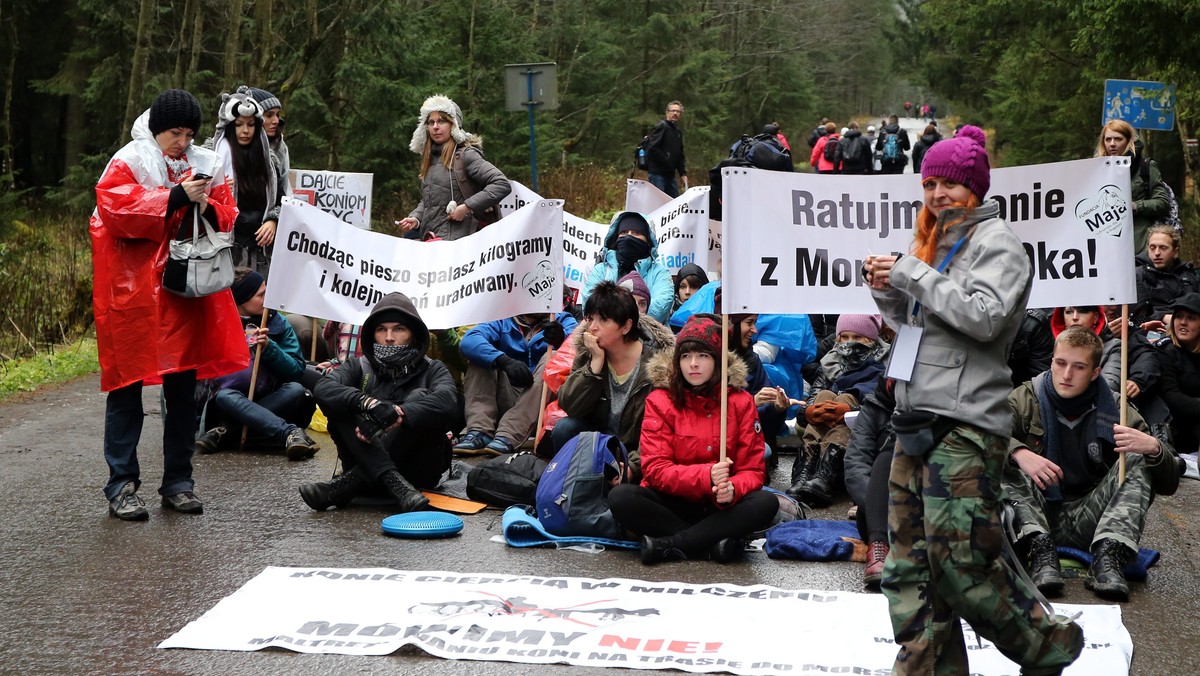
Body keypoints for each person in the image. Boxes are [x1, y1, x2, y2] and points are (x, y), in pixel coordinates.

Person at [864, 125, 1084, 673]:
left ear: (976, 189)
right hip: (915, 421)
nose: (938, 195)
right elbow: (923, 329)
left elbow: (983, 318)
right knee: (909, 567)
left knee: (960, 561)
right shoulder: (934, 243)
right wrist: (890, 294)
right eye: (930, 183)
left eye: (950, 185)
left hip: (964, 429)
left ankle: (1045, 645)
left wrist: (912, 273)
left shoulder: (998, 244)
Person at [92, 89, 247, 520]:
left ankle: (179, 481)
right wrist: (176, 198)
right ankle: (121, 484)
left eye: (189, 133)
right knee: (127, 387)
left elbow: (229, 212)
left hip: (184, 292)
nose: (182, 140)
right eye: (175, 132)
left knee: (183, 390)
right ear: (158, 128)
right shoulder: (131, 158)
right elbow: (114, 208)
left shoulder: (207, 162)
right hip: (134, 295)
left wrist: (208, 205)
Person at [1004, 328, 1179, 601]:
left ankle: (1109, 557)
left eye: (1079, 367)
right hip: (1038, 514)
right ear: (1051, 361)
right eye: (1060, 363)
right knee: (1003, 461)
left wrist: (1155, 449)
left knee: (1137, 457)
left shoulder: (1118, 409)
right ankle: (1038, 551)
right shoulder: (1026, 399)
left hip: (1093, 517)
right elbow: (980, 440)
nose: (1066, 375)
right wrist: (1018, 452)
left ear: (1095, 372)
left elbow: (1168, 485)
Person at [608, 315, 777, 564]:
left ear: (718, 361)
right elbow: (655, 470)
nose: (693, 364)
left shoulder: (740, 402)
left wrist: (733, 489)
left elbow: (753, 470)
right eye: (686, 357)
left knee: (765, 502)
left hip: (720, 507)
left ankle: (672, 545)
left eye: (703, 356)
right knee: (621, 498)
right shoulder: (660, 401)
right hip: (673, 503)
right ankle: (710, 544)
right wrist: (706, 475)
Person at [299, 292, 458, 513]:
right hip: (364, 458)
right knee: (339, 403)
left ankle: (348, 485)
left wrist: (398, 414)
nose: (389, 337)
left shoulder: (433, 368)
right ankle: (394, 483)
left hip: (417, 473)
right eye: (381, 329)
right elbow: (324, 388)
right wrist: (367, 403)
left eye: (399, 329)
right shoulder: (359, 366)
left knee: (421, 398)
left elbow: (449, 401)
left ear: (413, 333)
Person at [553, 281, 676, 478]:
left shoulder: (658, 364)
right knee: (564, 429)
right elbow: (569, 405)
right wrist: (595, 364)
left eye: (602, 320)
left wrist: (632, 467)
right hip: (601, 443)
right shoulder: (589, 353)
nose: (592, 327)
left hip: (637, 450)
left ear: (626, 326)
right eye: (590, 318)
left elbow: (661, 432)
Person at [194, 268, 319, 460]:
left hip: (271, 399)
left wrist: (270, 348)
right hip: (226, 405)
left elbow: (295, 370)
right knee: (226, 397)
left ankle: (227, 431)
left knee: (295, 389)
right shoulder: (216, 324)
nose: (268, 298)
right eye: (261, 294)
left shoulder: (278, 323)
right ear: (242, 300)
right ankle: (289, 433)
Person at [787, 314, 887, 507]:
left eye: (858, 338)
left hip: (867, 425)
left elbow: (886, 405)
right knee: (824, 396)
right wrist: (810, 412)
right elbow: (811, 401)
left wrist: (849, 410)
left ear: (872, 339)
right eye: (845, 337)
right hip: (827, 423)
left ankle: (824, 475)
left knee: (844, 397)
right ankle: (805, 472)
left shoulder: (885, 363)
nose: (850, 343)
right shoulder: (829, 363)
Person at [454, 310, 575, 455]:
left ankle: (509, 435)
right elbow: (469, 340)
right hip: (509, 395)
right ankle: (480, 432)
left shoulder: (563, 320)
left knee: (554, 358)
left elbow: (579, 344)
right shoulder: (501, 319)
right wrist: (503, 361)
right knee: (479, 357)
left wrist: (563, 338)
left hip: (540, 405)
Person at [398, 94, 511, 241]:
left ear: (454, 125)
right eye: (431, 122)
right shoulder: (430, 159)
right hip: (432, 240)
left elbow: (501, 184)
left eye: (441, 121)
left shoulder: (467, 155)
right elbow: (430, 201)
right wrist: (416, 218)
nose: (435, 127)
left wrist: (466, 208)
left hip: (462, 245)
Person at [206, 86, 287, 278]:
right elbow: (194, 198)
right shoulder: (210, 157)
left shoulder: (269, 160)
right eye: (239, 124)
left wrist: (274, 220)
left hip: (261, 251)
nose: (245, 131)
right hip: (224, 250)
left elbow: (283, 199)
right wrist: (215, 188)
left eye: (251, 125)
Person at [843, 374, 896, 588]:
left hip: (922, 505)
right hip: (879, 512)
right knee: (885, 458)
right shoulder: (874, 408)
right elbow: (856, 465)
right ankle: (879, 548)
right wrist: (881, 507)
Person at [579, 211, 674, 323]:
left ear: (648, 240)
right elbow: (590, 303)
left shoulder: (660, 273)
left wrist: (620, 320)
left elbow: (660, 307)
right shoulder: (601, 270)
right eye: (624, 232)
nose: (628, 236)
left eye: (635, 233)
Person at [1095, 119, 1169, 252]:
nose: (1112, 144)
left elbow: (1162, 202)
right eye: (1108, 139)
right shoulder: (1095, 170)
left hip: (1139, 246)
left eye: (1118, 139)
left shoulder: (1145, 166)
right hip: (1107, 247)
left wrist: (1135, 206)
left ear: (1129, 141)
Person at [1130, 225, 1198, 334]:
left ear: (1175, 252)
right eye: (1152, 247)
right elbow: (1137, 317)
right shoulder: (1138, 275)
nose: (1157, 253)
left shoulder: (1189, 276)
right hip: (1151, 334)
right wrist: (1162, 316)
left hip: (1189, 331)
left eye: (1163, 248)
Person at [1157, 293, 1200, 454]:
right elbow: (1171, 396)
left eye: (1191, 317)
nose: (1183, 322)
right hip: (1179, 425)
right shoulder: (1166, 351)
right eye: (1179, 316)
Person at [643, 101, 687, 198]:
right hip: (657, 173)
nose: (675, 113)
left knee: (674, 203)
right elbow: (653, 147)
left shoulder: (678, 132)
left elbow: (680, 154)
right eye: (673, 111)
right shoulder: (662, 126)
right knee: (658, 202)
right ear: (667, 112)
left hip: (670, 175)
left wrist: (682, 173)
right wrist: (665, 159)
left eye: (678, 112)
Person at [248, 87, 289, 190]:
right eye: (269, 115)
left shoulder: (279, 145)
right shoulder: (223, 144)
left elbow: (283, 186)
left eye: (277, 115)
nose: (276, 120)